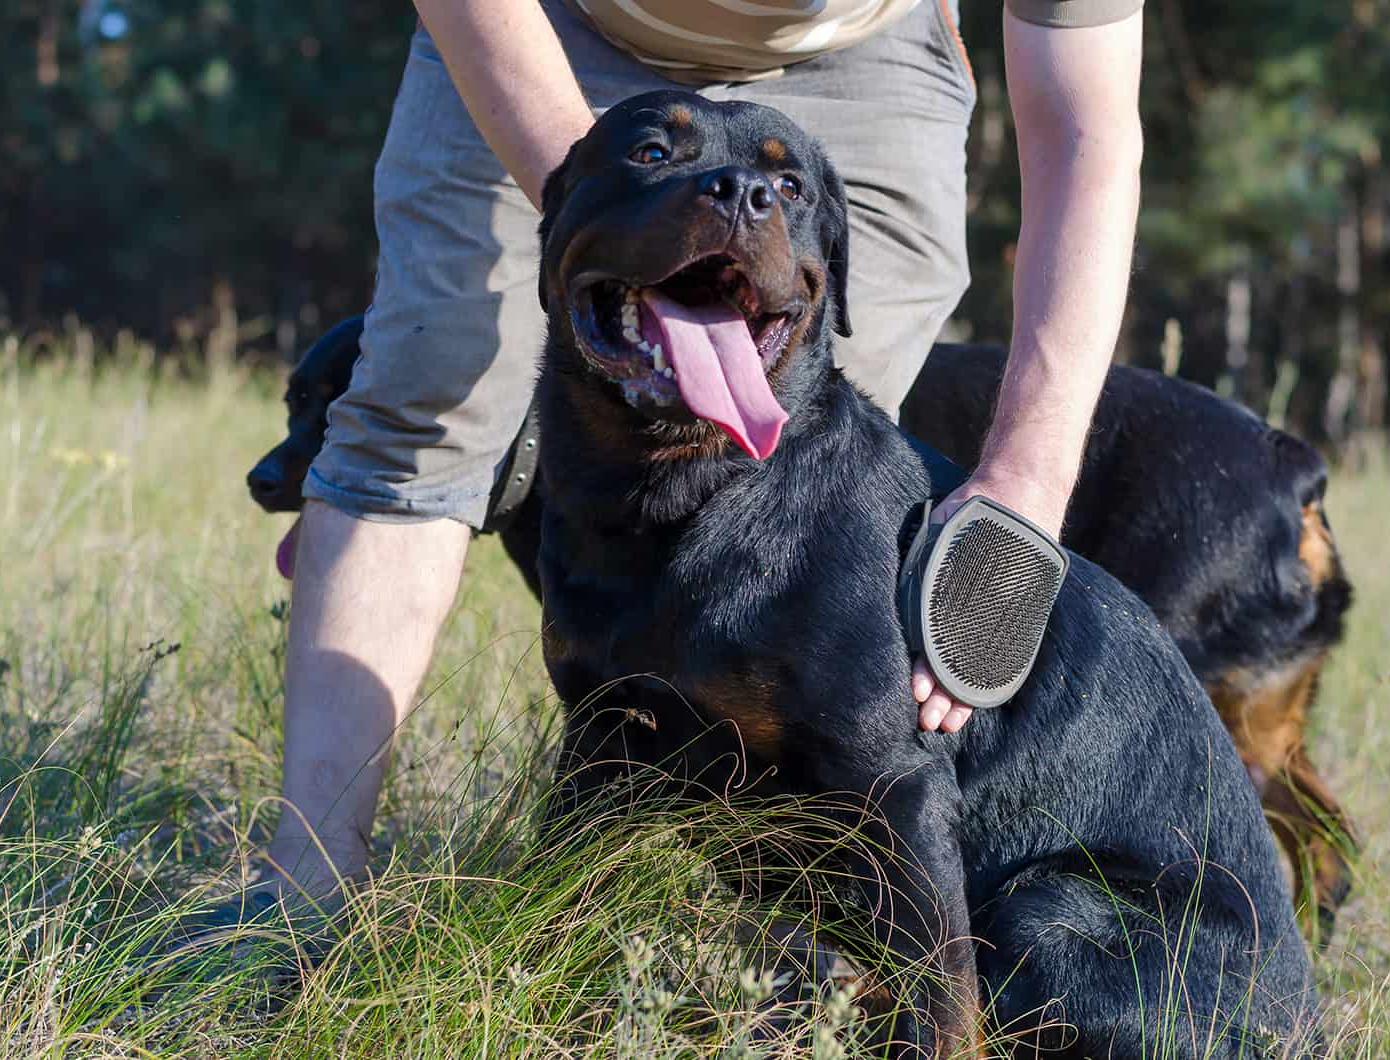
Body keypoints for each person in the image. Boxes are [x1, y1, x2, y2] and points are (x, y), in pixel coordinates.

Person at [265, 0, 1143, 910]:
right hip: (542, 23)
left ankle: (803, 949)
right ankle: (301, 896)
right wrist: (617, 194)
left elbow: (1088, 127)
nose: (736, 198)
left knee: (807, 537)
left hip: (864, 56)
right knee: (425, 399)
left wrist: (1028, 487)